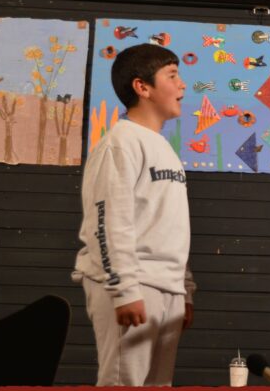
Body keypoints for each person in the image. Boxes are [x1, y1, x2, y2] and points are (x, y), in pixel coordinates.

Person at [72, 43, 196, 386]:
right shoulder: (121, 142)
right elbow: (107, 221)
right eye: (172, 76)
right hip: (133, 285)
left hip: (166, 288)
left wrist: (184, 289)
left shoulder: (165, 148)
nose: (182, 85)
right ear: (142, 87)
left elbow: (170, 226)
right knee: (123, 382)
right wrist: (124, 289)